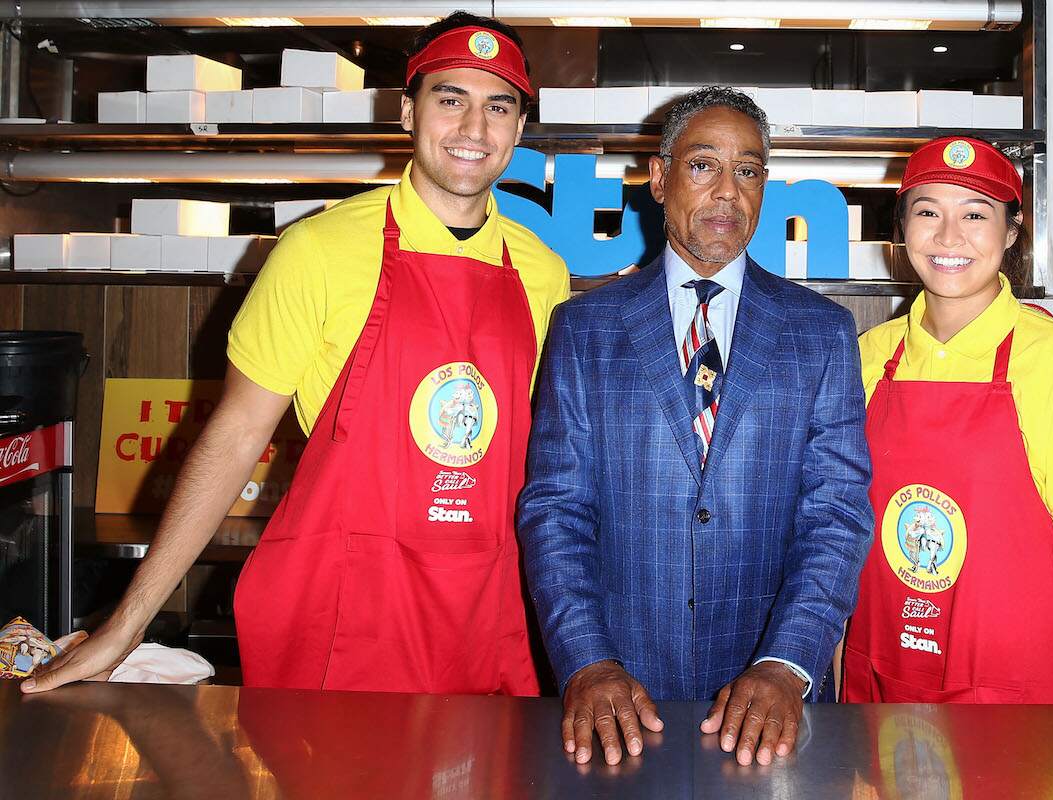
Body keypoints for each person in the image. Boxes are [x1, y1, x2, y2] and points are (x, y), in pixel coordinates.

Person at [23, 13, 569, 695]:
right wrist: (127, 624)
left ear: (520, 129)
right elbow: (235, 436)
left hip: (485, 615)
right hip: (350, 613)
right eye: (449, 98)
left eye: (498, 106)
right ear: (407, 111)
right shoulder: (317, 252)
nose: (473, 128)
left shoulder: (543, 274)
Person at [517, 87, 873, 768]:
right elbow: (554, 511)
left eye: (748, 170)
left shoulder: (821, 331)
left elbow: (837, 514)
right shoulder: (585, 329)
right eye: (704, 165)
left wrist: (787, 663)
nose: (728, 193)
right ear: (658, 177)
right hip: (617, 703)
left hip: (771, 703)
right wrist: (588, 662)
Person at [842, 137, 1053, 704]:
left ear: (1011, 235)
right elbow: (837, 540)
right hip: (879, 678)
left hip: (1010, 696)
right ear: (902, 230)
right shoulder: (866, 356)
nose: (948, 237)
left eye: (976, 215)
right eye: (928, 211)